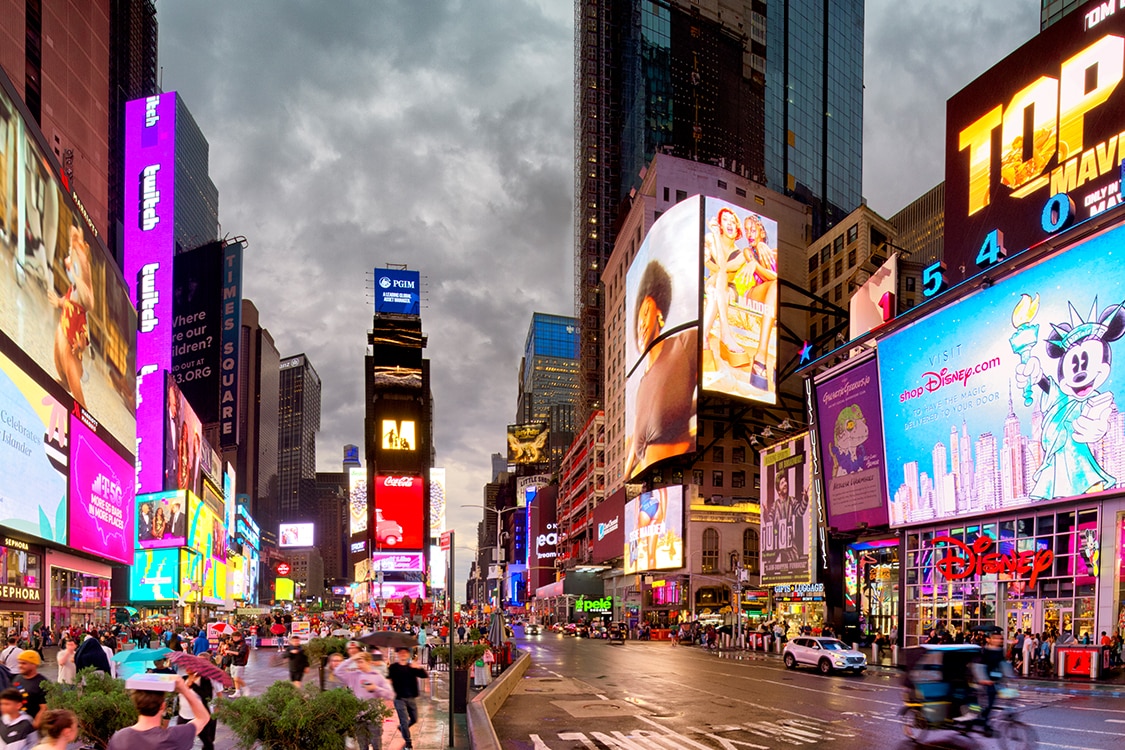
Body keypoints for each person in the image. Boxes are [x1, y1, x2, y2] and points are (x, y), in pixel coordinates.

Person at [621, 260, 699, 480]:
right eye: (638, 317)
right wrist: (624, 481)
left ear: (659, 312)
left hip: (682, 478)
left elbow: (713, 386)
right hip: (649, 487)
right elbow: (637, 438)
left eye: (646, 312)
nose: (641, 325)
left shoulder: (684, 343)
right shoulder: (641, 386)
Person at [47, 226, 94, 405]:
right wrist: (57, 301)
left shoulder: (80, 311)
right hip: (61, 334)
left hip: (70, 347)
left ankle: (82, 412)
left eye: (71, 262)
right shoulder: (70, 292)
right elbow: (64, 301)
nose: (66, 261)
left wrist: (80, 346)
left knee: (71, 370)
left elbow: (84, 336)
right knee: (59, 362)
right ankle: (64, 383)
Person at [107, 676, 209, 750]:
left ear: (136, 704)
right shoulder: (173, 738)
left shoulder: (119, 738)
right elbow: (203, 718)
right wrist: (184, 689)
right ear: (163, 706)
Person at [334, 651, 394, 750]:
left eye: (361, 662)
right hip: (359, 717)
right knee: (362, 746)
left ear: (369, 662)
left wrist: (376, 688)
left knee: (376, 745)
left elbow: (390, 694)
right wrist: (352, 658)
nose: (359, 665)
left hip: (374, 717)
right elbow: (337, 672)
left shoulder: (377, 676)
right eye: (357, 662)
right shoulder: (353, 676)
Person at [387, 647, 428, 750]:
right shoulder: (393, 667)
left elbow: (424, 675)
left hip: (411, 697)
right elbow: (387, 679)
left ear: (408, 654)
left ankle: (402, 729)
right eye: (401, 652)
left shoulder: (411, 667)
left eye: (405, 652)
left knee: (414, 719)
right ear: (397, 654)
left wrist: (418, 668)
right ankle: (408, 743)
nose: (403, 654)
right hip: (399, 698)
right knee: (404, 721)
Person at [973, 628, 1010, 736]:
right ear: (989, 640)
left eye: (1000, 638)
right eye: (996, 638)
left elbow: (1003, 664)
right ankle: (984, 724)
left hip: (996, 681)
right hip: (986, 682)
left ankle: (983, 719)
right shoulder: (984, 651)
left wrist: (1011, 676)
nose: (999, 640)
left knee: (996, 702)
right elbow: (979, 666)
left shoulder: (999, 651)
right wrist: (983, 679)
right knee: (988, 704)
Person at [176, 657, 216, 750]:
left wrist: (193, 686)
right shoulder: (184, 678)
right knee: (179, 740)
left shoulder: (204, 680)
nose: (187, 667)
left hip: (199, 716)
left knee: (207, 741)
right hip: (183, 715)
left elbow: (208, 697)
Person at [10, 652, 47, 730]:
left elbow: (44, 708)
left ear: (34, 664)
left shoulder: (42, 683)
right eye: (19, 663)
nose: (20, 666)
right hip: (15, 724)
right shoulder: (17, 678)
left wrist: (34, 726)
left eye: (24, 663)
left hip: (32, 727)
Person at [229, 632, 250, 697]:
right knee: (234, 678)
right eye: (233, 637)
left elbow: (241, 653)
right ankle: (237, 692)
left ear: (239, 637)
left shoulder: (243, 645)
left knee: (237, 678)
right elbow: (232, 652)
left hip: (240, 663)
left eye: (235, 637)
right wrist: (230, 652)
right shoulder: (233, 644)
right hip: (233, 662)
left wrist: (231, 652)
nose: (234, 639)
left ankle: (246, 688)